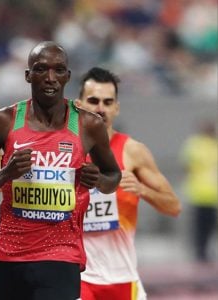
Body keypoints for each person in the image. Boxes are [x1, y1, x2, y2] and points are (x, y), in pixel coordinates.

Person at [0, 41, 122, 300]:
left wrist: (99, 180)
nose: (50, 78)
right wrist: (4, 174)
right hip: (10, 257)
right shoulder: (4, 122)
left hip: (62, 254)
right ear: (28, 75)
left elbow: (114, 176)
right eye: (41, 69)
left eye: (58, 70)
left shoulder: (88, 125)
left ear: (68, 76)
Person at [75, 67, 182, 300]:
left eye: (107, 101)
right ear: (79, 105)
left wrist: (142, 190)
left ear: (116, 107)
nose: (100, 108)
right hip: (79, 276)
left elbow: (173, 206)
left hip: (123, 278)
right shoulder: (65, 150)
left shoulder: (133, 151)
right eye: (93, 100)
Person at [180, 118, 217, 263]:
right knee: (202, 226)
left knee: (206, 226)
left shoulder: (205, 145)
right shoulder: (197, 145)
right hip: (201, 192)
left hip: (207, 193)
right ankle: (201, 253)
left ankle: (203, 252)